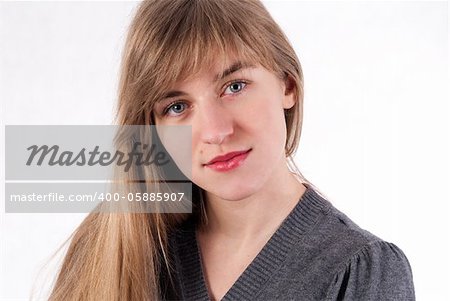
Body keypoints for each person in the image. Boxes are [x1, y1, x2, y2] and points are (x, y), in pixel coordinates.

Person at [49, 0, 415, 300]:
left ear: (287, 85)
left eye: (235, 86)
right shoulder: (110, 250)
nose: (216, 131)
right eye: (177, 107)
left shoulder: (361, 272)